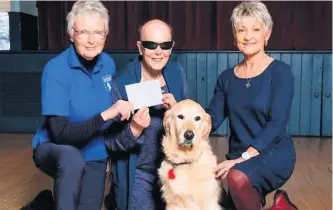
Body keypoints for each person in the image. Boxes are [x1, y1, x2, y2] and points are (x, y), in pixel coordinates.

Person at [26, 1, 134, 210]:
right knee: (72, 158)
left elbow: (112, 110)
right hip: (56, 148)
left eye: (98, 33)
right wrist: (105, 115)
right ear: (71, 34)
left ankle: (43, 205)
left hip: (94, 151)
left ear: (105, 35)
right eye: (83, 32)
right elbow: (60, 134)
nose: (91, 40)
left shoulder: (108, 64)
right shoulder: (56, 70)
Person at [206, 2, 298, 210]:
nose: (248, 36)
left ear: (267, 34)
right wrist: (185, 114)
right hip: (238, 158)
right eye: (242, 30)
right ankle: (280, 207)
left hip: (273, 153)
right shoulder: (227, 78)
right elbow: (211, 118)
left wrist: (242, 158)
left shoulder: (280, 72)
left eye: (256, 29)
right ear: (234, 37)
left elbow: (276, 124)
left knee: (236, 178)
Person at [104, 19, 188, 210]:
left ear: (171, 48)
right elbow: (109, 142)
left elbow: (189, 128)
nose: (158, 51)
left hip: (172, 168)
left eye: (165, 45)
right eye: (151, 45)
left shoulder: (176, 73)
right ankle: (116, 199)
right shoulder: (121, 83)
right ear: (140, 47)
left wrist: (178, 112)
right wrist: (134, 129)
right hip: (138, 173)